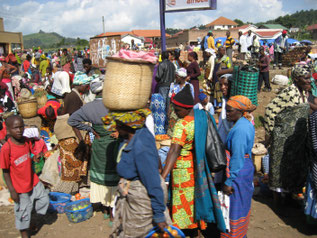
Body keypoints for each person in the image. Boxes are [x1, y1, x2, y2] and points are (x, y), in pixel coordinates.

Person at [162, 85, 226, 237]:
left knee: (182, 200)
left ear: (186, 108)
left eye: (177, 110)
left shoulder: (182, 125)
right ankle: (196, 226)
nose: (176, 114)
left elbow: (174, 150)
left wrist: (163, 175)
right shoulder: (201, 117)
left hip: (182, 171)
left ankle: (185, 229)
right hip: (197, 166)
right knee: (193, 199)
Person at [109, 109, 171, 237]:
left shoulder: (141, 145)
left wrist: (159, 215)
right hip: (134, 198)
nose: (116, 129)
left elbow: (153, 182)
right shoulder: (134, 138)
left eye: (118, 125)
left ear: (126, 126)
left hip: (142, 201)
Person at [68, 78, 120, 221]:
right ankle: (112, 210)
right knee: (112, 175)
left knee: (100, 174)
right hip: (112, 144)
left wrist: (90, 128)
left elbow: (71, 120)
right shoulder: (113, 106)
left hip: (98, 143)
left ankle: (104, 207)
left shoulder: (88, 108)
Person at [264, 64, 311, 203]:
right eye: (306, 78)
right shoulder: (290, 93)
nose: (309, 81)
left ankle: (291, 193)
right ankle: (277, 200)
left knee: (294, 166)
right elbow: (270, 111)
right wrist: (274, 132)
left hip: (297, 139)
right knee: (279, 167)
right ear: (296, 79)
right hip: (284, 137)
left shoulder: (304, 92)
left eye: (309, 78)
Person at [0, 115, 49, 238]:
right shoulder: (7, 148)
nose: (19, 130)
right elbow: (5, 171)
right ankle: (24, 233)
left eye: (21, 127)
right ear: (9, 130)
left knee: (44, 200)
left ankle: (31, 219)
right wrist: (12, 190)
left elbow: (28, 156)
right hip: (19, 186)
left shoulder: (27, 141)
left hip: (32, 180)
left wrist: (34, 157)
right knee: (22, 214)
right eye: (16, 128)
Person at [221, 96, 256, 238]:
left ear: (240, 111)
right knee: (242, 204)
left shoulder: (240, 130)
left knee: (235, 207)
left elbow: (237, 157)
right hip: (244, 168)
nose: (227, 113)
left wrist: (229, 181)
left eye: (230, 111)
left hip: (239, 171)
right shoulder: (243, 124)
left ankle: (235, 234)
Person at [167, 68, 194, 137]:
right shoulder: (173, 85)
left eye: (177, 77)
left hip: (184, 111)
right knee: (172, 129)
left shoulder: (189, 86)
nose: (175, 78)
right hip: (174, 110)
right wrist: (169, 110)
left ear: (181, 77)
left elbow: (192, 100)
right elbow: (170, 99)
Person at [218, 74, 234, 143]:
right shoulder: (225, 100)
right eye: (221, 85)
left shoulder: (235, 103)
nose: (222, 87)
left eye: (226, 84)